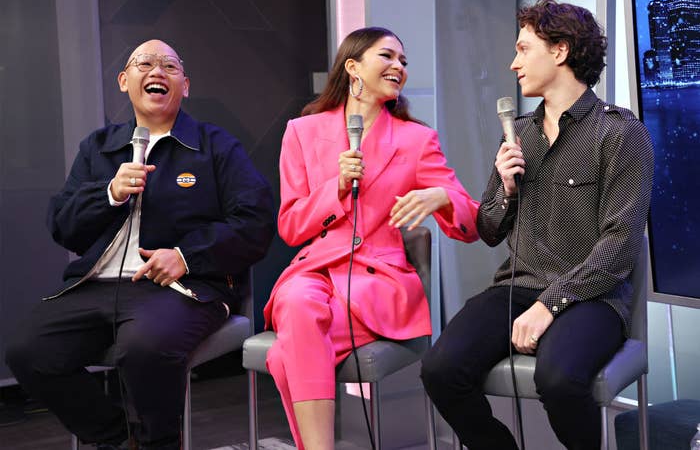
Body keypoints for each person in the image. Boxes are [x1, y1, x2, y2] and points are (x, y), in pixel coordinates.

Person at [5, 39, 275, 450]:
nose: (157, 72)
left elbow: (255, 221)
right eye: (144, 63)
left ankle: (157, 443)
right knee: (28, 351)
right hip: (96, 287)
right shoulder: (98, 148)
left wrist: (187, 256)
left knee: (144, 348)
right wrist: (109, 193)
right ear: (123, 81)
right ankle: (121, 440)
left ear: (184, 85)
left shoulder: (215, 146)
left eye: (169, 66)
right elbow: (63, 226)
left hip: (183, 289)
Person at [421, 0, 654, 450]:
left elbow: (620, 245)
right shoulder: (519, 133)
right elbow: (489, 231)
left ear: (561, 51)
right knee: (440, 370)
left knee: (560, 378)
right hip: (517, 286)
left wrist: (550, 305)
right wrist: (506, 189)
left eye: (524, 49)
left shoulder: (622, 134)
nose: (513, 62)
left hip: (592, 297)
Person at [263, 26, 480, 450]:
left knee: (290, 343)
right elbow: (290, 227)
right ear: (352, 67)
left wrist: (441, 196)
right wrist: (337, 188)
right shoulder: (302, 132)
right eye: (387, 56)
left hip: (379, 278)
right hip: (313, 270)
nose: (398, 66)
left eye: (403, 60)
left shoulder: (416, 140)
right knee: (297, 303)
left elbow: (470, 222)